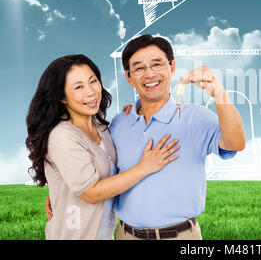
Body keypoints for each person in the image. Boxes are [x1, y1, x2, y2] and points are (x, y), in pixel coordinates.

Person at [26, 54, 179, 240]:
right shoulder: (62, 135)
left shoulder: (99, 125)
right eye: (78, 87)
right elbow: (91, 193)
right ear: (61, 97)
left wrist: (132, 113)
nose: (91, 92)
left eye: (93, 81)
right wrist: (145, 167)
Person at [111, 34, 246, 240]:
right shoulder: (119, 123)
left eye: (157, 64)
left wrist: (219, 93)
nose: (149, 74)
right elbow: (102, 173)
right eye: (139, 68)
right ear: (129, 77)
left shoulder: (196, 117)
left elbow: (235, 143)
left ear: (172, 67)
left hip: (180, 236)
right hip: (125, 234)